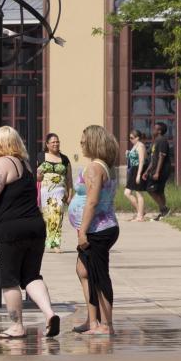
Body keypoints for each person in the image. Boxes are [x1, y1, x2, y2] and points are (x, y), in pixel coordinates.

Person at [0, 125, 58, 340]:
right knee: (31, 276)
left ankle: (16, 326)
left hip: (10, 230)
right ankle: (50, 314)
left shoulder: (1, 164)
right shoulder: (26, 165)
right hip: (35, 226)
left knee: (9, 280)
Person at [69, 124, 122, 336]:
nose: (81, 145)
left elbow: (92, 202)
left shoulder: (94, 168)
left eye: (83, 141)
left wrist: (82, 231)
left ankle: (106, 325)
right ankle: (92, 321)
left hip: (98, 229)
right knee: (83, 270)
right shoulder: (104, 166)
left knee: (99, 276)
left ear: (92, 142)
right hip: (100, 227)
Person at [39, 132, 71, 252]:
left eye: (57, 142)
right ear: (47, 144)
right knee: (47, 217)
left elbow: (69, 179)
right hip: (45, 192)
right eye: (53, 142)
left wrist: (70, 194)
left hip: (60, 191)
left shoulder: (64, 159)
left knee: (57, 215)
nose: (55, 144)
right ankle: (47, 241)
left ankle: (56, 244)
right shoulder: (40, 157)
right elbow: (35, 176)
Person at [143, 122, 173, 220]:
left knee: (150, 189)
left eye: (155, 129)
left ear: (159, 131)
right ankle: (164, 212)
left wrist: (157, 172)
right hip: (155, 169)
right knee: (159, 191)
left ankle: (164, 209)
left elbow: (161, 156)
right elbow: (153, 159)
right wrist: (147, 171)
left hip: (162, 170)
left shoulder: (162, 140)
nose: (153, 130)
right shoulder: (155, 141)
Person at [122, 129, 149, 222]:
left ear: (138, 138)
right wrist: (128, 154)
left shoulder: (140, 146)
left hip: (138, 170)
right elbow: (133, 158)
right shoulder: (135, 146)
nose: (130, 139)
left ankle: (140, 216)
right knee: (127, 193)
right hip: (133, 170)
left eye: (132, 138)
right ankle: (140, 212)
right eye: (129, 138)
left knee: (138, 193)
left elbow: (141, 161)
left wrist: (138, 175)